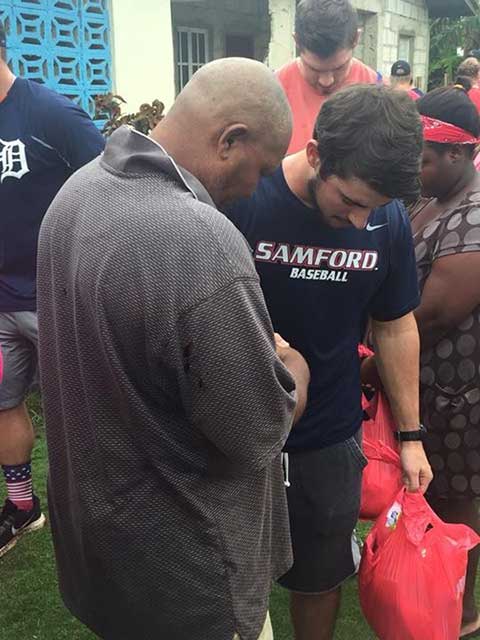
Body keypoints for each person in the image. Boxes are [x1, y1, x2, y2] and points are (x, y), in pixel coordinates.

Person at [37, 58, 310, 640]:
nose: (256, 187)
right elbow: (256, 431)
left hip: (105, 549)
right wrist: (292, 367)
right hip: (190, 573)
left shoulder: (77, 191)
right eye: (259, 170)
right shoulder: (198, 239)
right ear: (229, 141)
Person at [224, 84, 433, 640]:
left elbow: (394, 322)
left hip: (330, 431)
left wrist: (410, 435)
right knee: (225, 572)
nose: (363, 220)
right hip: (233, 429)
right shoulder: (248, 196)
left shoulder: (384, 220)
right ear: (315, 155)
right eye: (350, 201)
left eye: (375, 207)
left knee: (319, 576)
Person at [0, 21, 105, 557]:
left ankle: (96, 513)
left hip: (57, 296)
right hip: (0, 302)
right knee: (3, 402)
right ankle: (21, 506)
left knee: (84, 412)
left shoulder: (48, 112)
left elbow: (112, 179)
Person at [411, 84, 480, 640]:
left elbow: (436, 314)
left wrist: (369, 366)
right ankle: (427, 584)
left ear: (458, 153)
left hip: (462, 393)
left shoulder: (476, 215)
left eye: (425, 157)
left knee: (459, 499)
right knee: (429, 493)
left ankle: (461, 608)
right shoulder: (432, 197)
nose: (417, 166)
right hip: (425, 384)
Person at [277, 0, 377, 155]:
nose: (326, 81)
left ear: (356, 39)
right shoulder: (273, 94)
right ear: (297, 41)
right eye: (314, 69)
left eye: (339, 68)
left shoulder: (378, 92)